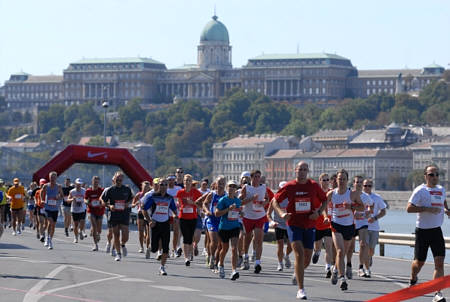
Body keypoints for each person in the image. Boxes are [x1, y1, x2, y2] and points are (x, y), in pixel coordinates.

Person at [272, 162, 327, 300]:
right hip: (294, 224)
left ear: (307, 171)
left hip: (309, 225)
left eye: (304, 169)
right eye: (299, 169)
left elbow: (325, 200)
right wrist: (282, 213)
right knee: (299, 254)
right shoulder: (290, 186)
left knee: (307, 258)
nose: (302, 172)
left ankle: (297, 273)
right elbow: (274, 201)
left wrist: (319, 212)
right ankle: (301, 289)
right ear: (295, 171)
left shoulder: (314, 185)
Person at [406, 164, 449, 302]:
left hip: (436, 230)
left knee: (439, 262)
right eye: (431, 174)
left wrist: (447, 210)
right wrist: (426, 209)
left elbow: (443, 201)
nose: (435, 177)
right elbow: (408, 209)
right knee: (419, 263)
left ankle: (437, 293)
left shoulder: (441, 189)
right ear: (425, 176)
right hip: (422, 231)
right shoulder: (420, 190)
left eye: (437, 174)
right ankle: (413, 277)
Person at [327, 169, 364, 291]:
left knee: (344, 253)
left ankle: (335, 269)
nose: (341, 181)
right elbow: (323, 207)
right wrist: (325, 217)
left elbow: (362, 207)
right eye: (339, 179)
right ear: (335, 180)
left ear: (347, 180)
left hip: (349, 225)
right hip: (336, 224)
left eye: (343, 179)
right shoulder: (331, 194)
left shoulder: (352, 194)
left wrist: (351, 206)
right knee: (340, 251)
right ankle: (342, 278)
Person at [142, 178, 178, 275]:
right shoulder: (153, 197)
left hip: (165, 223)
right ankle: (150, 248)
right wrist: (149, 220)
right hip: (155, 223)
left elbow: (174, 209)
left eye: (165, 185)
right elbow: (144, 209)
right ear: (158, 186)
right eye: (161, 184)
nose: (163, 186)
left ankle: (162, 267)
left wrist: (175, 215)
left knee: (165, 247)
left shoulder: (169, 198)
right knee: (154, 248)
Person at [101, 171, 134, 261]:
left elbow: (132, 198)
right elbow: (103, 201)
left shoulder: (126, 189)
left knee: (125, 235)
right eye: (117, 179)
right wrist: (109, 206)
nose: (118, 181)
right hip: (114, 214)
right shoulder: (110, 190)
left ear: (122, 180)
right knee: (116, 234)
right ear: (114, 179)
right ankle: (118, 254)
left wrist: (128, 203)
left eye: (120, 179)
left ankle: (123, 244)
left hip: (124, 214)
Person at [215, 180, 242, 280]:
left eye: (234, 186)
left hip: (235, 226)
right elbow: (217, 213)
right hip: (224, 227)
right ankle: (220, 264)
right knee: (224, 248)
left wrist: (241, 213)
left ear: (236, 189)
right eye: (230, 186)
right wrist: (228, 209)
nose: (232, 188)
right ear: (227, 188)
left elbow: (238, 212)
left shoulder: (238, 201)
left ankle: (234, 270)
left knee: (234, 248)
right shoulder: (223, 200)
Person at [199, 176, 226, 272]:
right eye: (219, 183)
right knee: (214, 241)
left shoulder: (226, 196)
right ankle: (211, 256)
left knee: (220, 245)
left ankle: (216, 262)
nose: (221, 185)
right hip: (211, 220)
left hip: (222, 221)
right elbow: (204, 203)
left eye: (223, 183)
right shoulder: (212, 194)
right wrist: (206, 211)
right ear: (216, 184)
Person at [349, 176, 373, 278]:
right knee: (350, 247)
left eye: (360, 182)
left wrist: (368, 212)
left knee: (363, 244)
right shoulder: (349, 195)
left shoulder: (366, 196)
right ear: (353, 184)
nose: (358, 184)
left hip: (363, 223)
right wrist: (353, 213)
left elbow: (371, 205)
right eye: (356, 182)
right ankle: (348, 265)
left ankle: (360, 267)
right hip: (351, 223)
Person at [176, 174, 203, 266]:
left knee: (191, 237)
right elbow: (178, 202)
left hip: (193, 217)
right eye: (185, 180)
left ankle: (190, 252)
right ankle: (186, 258)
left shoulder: (196, 192)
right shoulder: (180, 192)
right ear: (183, 182)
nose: (187, 182)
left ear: (191, 182)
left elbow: (202, 204)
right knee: (185, 237)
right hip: (183, 217)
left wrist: (193, 203)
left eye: (189, 180)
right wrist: (179, 206)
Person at [267, 181, 292, 271]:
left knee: (292, 245)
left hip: (289, 224)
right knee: (280, 244)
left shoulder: (291, 199)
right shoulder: (274, 200)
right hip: (279, 224)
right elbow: (268, 214)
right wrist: (271, 222)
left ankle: (286, 255)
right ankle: (280, 263)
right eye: (281, 189)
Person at [312, 173, 334, 278]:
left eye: (327, 180)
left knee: (329, 246)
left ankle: (328, 267)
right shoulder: (316, 193)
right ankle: (317, 252)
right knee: (317, 246)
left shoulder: (332, 193)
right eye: (323, 180)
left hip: (328, 224)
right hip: (317, 224)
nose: (325, 182)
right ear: (319, 181)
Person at [363, 178, 386, 272]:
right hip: (363, 227)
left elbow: (384, 211)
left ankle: (369, 257)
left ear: (372, 187)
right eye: (365, 186)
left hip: (374, 227)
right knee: (365, 247)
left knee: (371, 249)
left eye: (369, 186)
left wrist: (375, 218)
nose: (367, 188)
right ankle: (366, 268)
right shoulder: (359, 197)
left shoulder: (377, 197)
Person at [41, 171, 64, 250]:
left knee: (53, 225)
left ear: (56, 178)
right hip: (47, 208)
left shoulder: (59, 186)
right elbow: (42, 192)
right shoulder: (45, 186)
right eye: (51, 177)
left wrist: (58, 197)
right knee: (50, 222)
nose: (52, 179)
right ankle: (47, 239)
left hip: (55, 208)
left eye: (54, 177)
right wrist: (42, 200)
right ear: (49, 178)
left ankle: (50, 240)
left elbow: (62, 195)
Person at [85, 176, 104, 251]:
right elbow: (85, 199)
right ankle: (95, 244)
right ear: (92, 182)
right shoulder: (88, 191)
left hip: (100, 211)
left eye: (97, 182)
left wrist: (101, 204)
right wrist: (86, 202)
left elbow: (105, 200)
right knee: (94, 226)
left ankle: (98, 234)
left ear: (98, 182)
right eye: (94, 182)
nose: (95, 183)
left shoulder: (101, 190)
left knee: (99, 229)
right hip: (91, 211)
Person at [132, 181, 151, 254]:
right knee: (140, 231)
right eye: (145, 187)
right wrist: (136, 204)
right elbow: (133, 204)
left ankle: (147, 247)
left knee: (147, 233)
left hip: (147, 214)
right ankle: (141, 247)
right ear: (142, 187)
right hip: (140, 213)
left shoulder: (150, 195)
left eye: (147, 187)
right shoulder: (139, 195)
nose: (146, 188)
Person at [166, 174, 182, 258]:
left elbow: (181, 199)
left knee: (176, 232)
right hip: (166, 213)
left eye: (172, 179)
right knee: (166, 233)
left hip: (176, 213)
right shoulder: (165, 189)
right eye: (169, 180)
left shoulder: (178, 189)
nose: (171, 181)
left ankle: (174, 249)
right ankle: (166, 250)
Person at [68, 178, 87, 243]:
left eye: (80, 184)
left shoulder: (84, 191)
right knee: (75, 225)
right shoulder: (72, 191)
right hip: (74, 210)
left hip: (82, 209)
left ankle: (80, 231)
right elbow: (67, 200)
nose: (79, 185)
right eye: (77, 184)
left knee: (82, 222)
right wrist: (72, 199)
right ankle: (76, 237)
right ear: (75, 184)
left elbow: (87, 198)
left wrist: (86, 201)